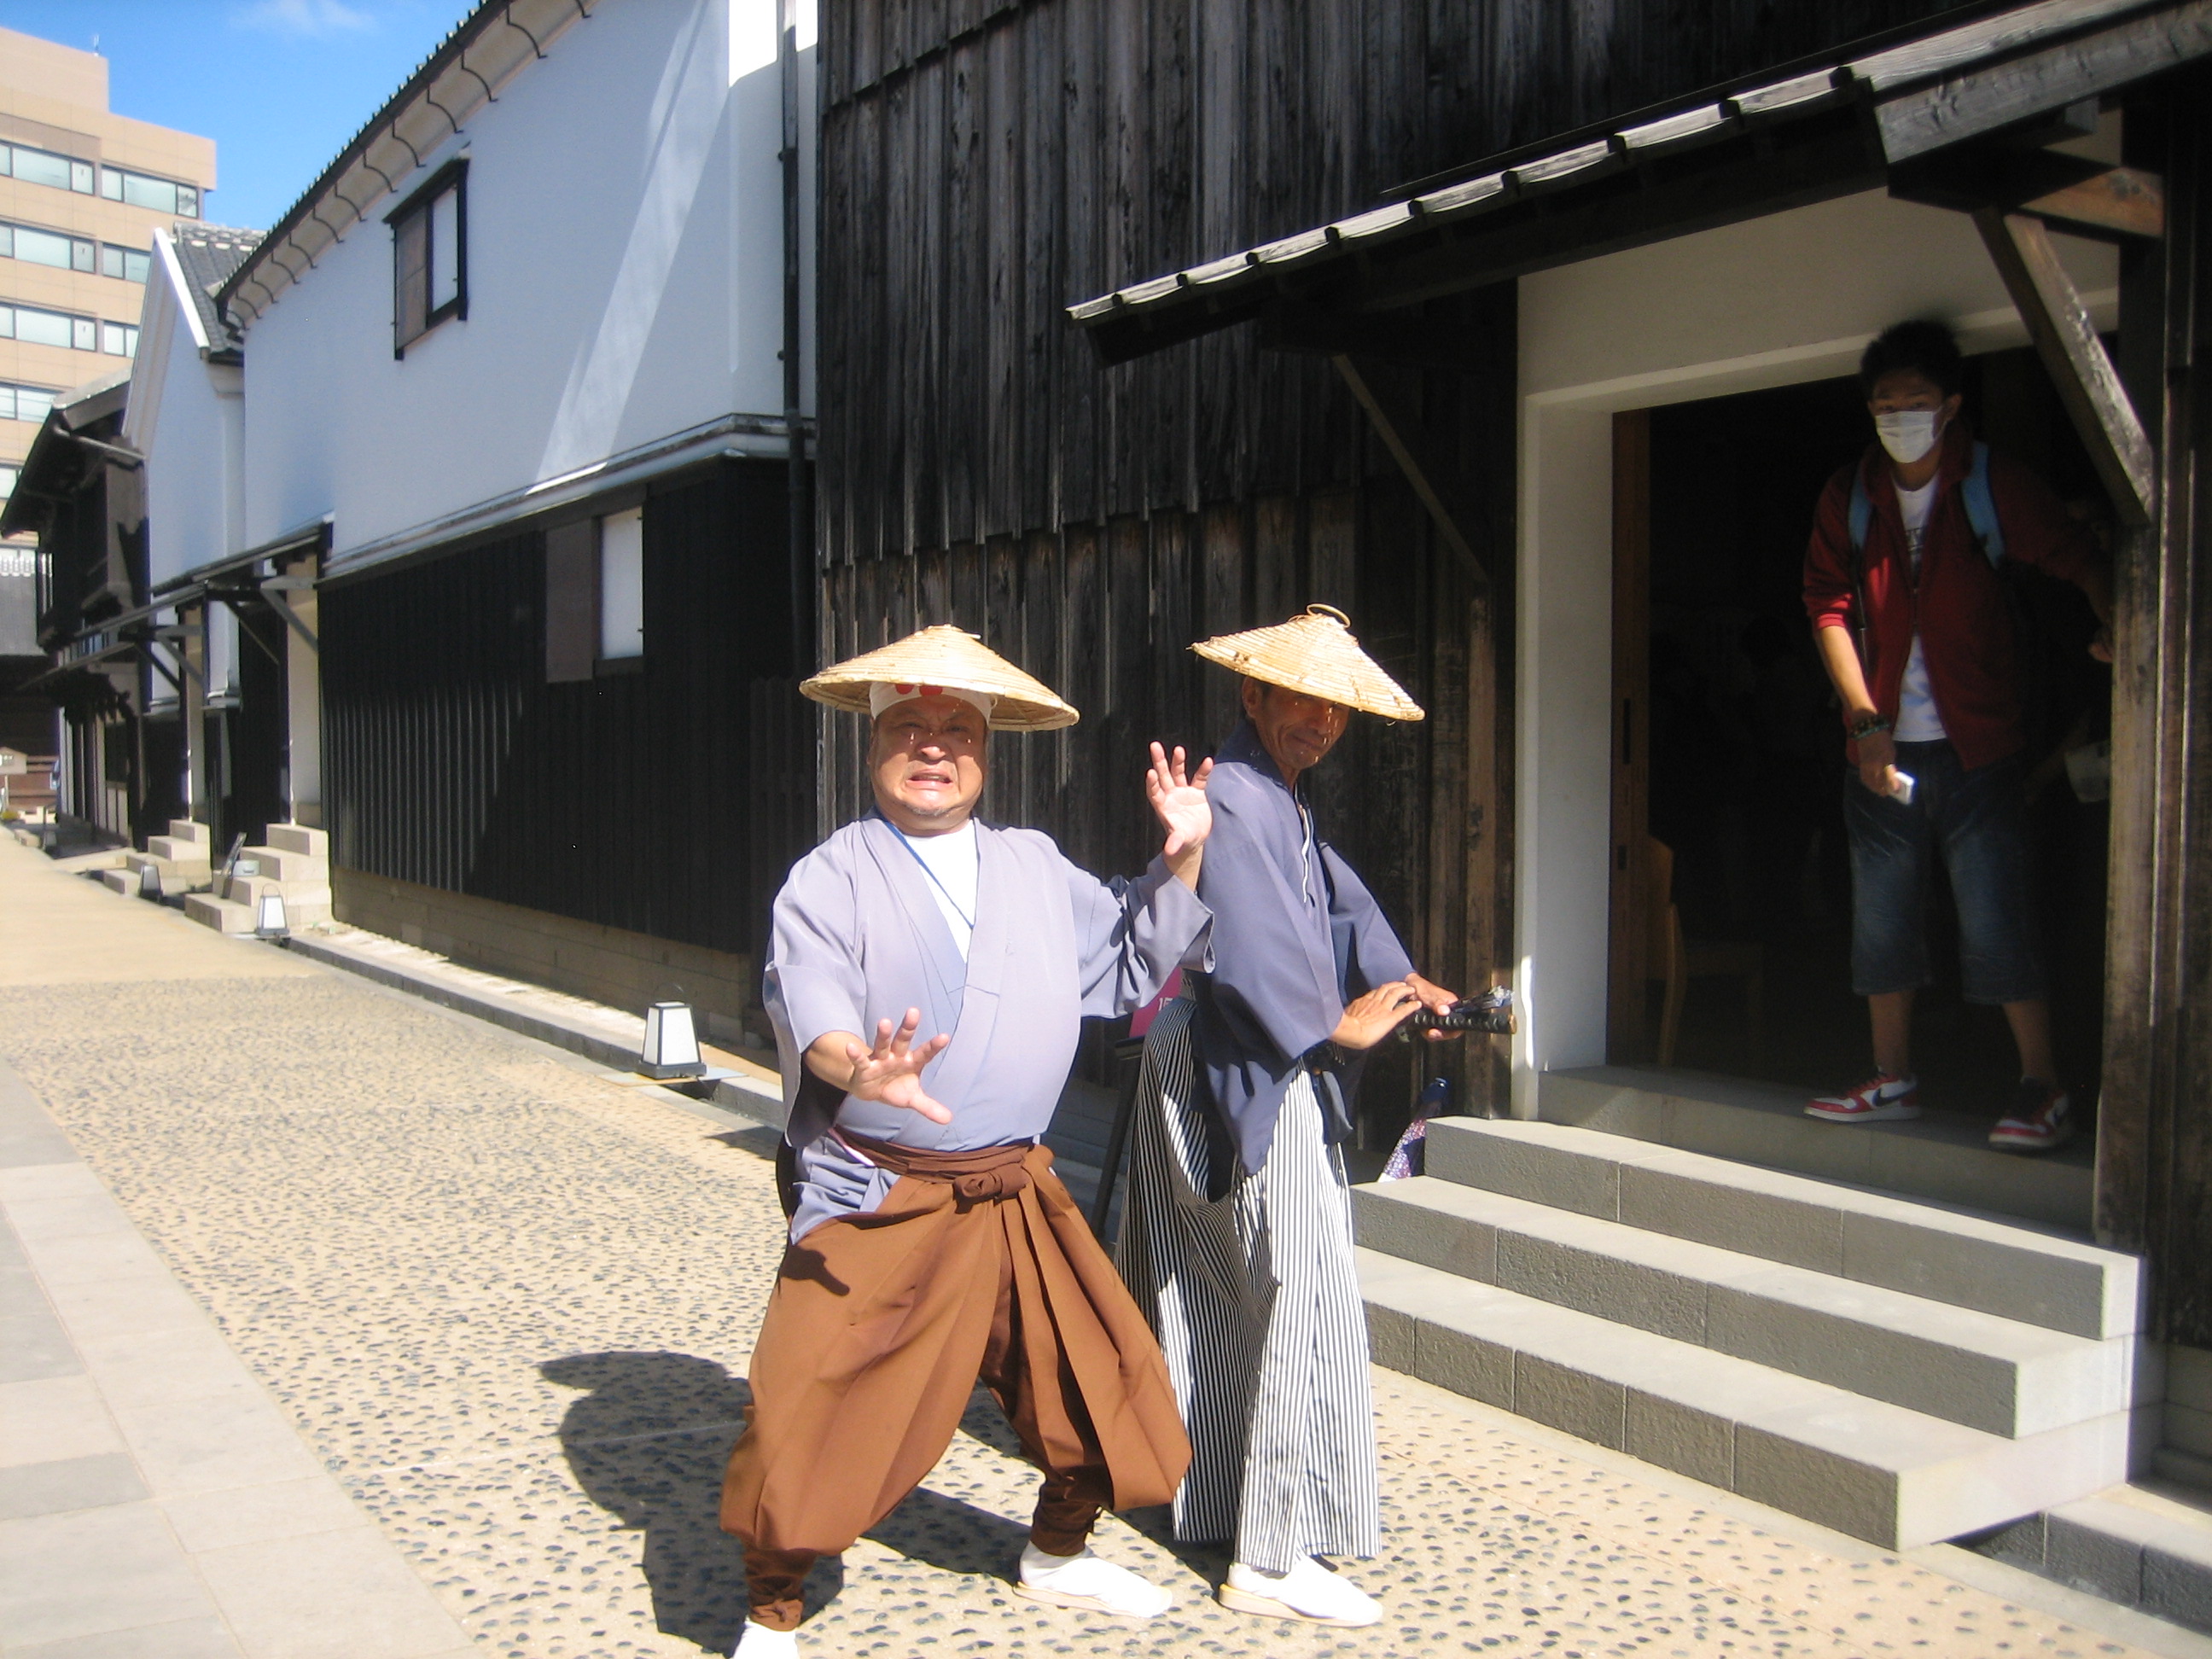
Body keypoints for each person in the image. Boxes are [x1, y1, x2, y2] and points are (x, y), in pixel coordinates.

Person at [719, 625, 1215, 1655]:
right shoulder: (830, 878)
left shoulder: (1033, 864)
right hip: (884, 1190)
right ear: (873, 748)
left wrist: (1184, 856)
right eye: (908, 727)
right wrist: (862, 1070)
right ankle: (772, 1605)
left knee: (1097, 1372)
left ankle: (1059, 1553)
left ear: (987, 752)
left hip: (1015, 1187)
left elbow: (1129, 963)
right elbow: (818, 1018)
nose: (933, 746)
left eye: (955, 728)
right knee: (803, 1398)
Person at [1114, 604, 1458, 1628]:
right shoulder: (1235, 798)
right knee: (1303, 1290)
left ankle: (1208, 1494)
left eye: (1338, 709)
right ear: (1254, 694)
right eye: (1302, 700)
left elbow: (1341, 902)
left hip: (1219, 1054)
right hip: (1251, 1052)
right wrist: (1334, 1029)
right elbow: (1257, 940)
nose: (1321, 722)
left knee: (1216, 1291)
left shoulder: (1281, 800)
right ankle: (1271, 1550)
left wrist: (1403, 981)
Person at [1802, 319, 2113, 1151]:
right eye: (1886, 403)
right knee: (1883, 920)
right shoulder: (1853, 495)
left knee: (1997, 913)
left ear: (1951, 407)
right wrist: (1866, 720)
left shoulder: (1990, 484)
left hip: (1981, 744)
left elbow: (2078, 553)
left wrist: (2116, 616)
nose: (1900, 415)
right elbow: (1826, 603)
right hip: (1881, 750)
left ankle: (2043, 1087)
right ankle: (1893, 1078)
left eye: (1916, 402)